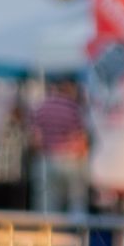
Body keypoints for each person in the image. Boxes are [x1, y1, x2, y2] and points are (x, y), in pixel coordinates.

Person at [30, 78, 90, 213]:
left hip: (47, 159)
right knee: (76, 200)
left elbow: (35, 140)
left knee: (47, 202)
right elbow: (81, 138)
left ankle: (48, 231)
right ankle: (77, 231)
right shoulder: (74, 107)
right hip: (70, 159)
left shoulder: (41, 107)